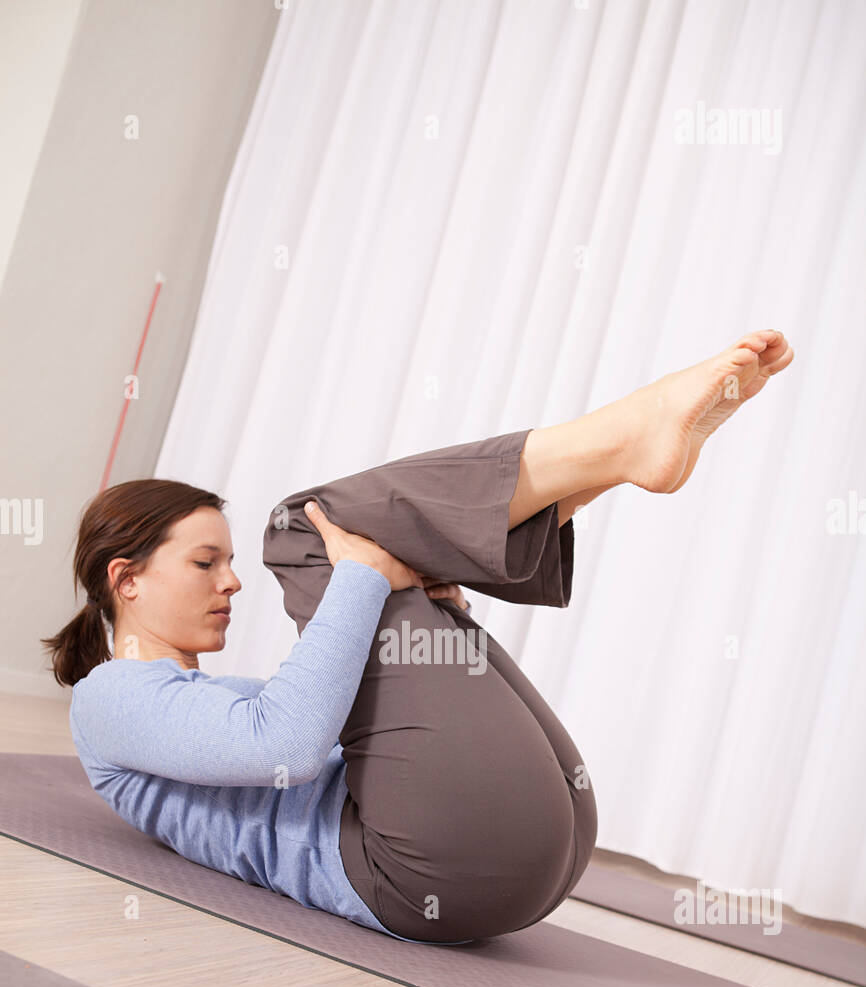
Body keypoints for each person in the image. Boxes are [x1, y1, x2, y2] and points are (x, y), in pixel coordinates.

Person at [43, 329, 793, 944]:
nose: (232, 582)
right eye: (205, 562)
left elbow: (349, 732)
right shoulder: (106, 700)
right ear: (126, 580)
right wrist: (363, 583)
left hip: (508, 856)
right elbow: (287, 748)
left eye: (227, 564)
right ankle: (622, 444)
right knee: (298, 532)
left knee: (394, 579)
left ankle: (622, 458)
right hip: (419, 870)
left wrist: (426, 605)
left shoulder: (186, 702)